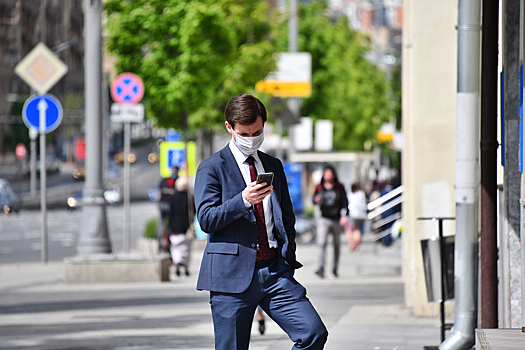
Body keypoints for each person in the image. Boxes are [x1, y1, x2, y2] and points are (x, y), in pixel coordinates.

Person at [194, 93, 328, 350]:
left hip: (275, 272)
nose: (251, 139)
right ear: (229, 128)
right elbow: (206, 219)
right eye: (244, 134)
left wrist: (286, 260)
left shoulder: (273, 165)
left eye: (256, 132)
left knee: (313, 332)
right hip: (231, 278)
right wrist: (242, 200)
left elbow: (286, 217)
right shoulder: (211, 168)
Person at [312, 165, 348, 278]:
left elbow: (345, 202)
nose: (328, 176)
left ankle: (334, 269)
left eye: (330, 173)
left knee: (336, 245)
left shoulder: (339, 186)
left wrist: (345, 215)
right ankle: (321, 268)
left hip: (336, 218)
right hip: (324, 218)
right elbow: (313, 200)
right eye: (326, 173)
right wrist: (316, 200)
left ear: (333, 174)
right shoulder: (319, 186)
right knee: (322, 243)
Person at [168, 177, 194, 277]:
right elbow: (194, 211)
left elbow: (170, 214)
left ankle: (177, 263)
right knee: (187, 249)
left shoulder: (173, 198)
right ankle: (186, 266)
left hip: (175, 228)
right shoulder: (189, 197)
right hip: (186, 228)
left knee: (176, 248)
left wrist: (169, 226)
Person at [156, 165, 179, 252]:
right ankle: (167, 243)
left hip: (161, 204)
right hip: (169, 206)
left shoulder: (164, 180)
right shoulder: (177, 180)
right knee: (169, 224)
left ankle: (160, 241)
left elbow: (158, 193)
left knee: (161, 223)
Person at [345, 183, 368, 251]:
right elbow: (363, 203)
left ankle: (351, 244)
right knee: (357, 229)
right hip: (359, 213)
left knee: (349, 230)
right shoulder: (361, 194)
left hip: (351, 213)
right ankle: (356, 243)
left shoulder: (349, 194)